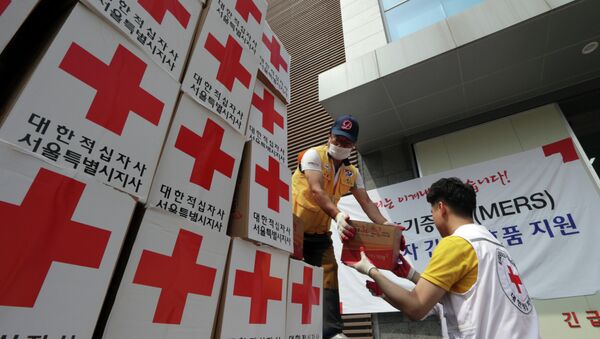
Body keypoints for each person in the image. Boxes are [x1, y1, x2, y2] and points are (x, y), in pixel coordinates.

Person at [347, 177, 541, 339]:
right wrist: (411, 275)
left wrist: (370, 269)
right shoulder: (492, 244)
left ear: (441, 208)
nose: (433, 218)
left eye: (432, 212)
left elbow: (416, 308)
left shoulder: (456, 244)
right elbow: (455, 295)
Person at [292, 115, 398, 339]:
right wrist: (338, 215)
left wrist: (386, 225)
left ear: (354, 145)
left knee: (329, 275)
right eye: (337, 139)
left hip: (320, 234)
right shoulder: (313, 156)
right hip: (293, 230)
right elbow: (316, 190)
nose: (340, 145)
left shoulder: (353, 174)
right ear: (329, 136)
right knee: (288, 277)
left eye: (346, 142)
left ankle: (331, 333)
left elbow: (367, 202)